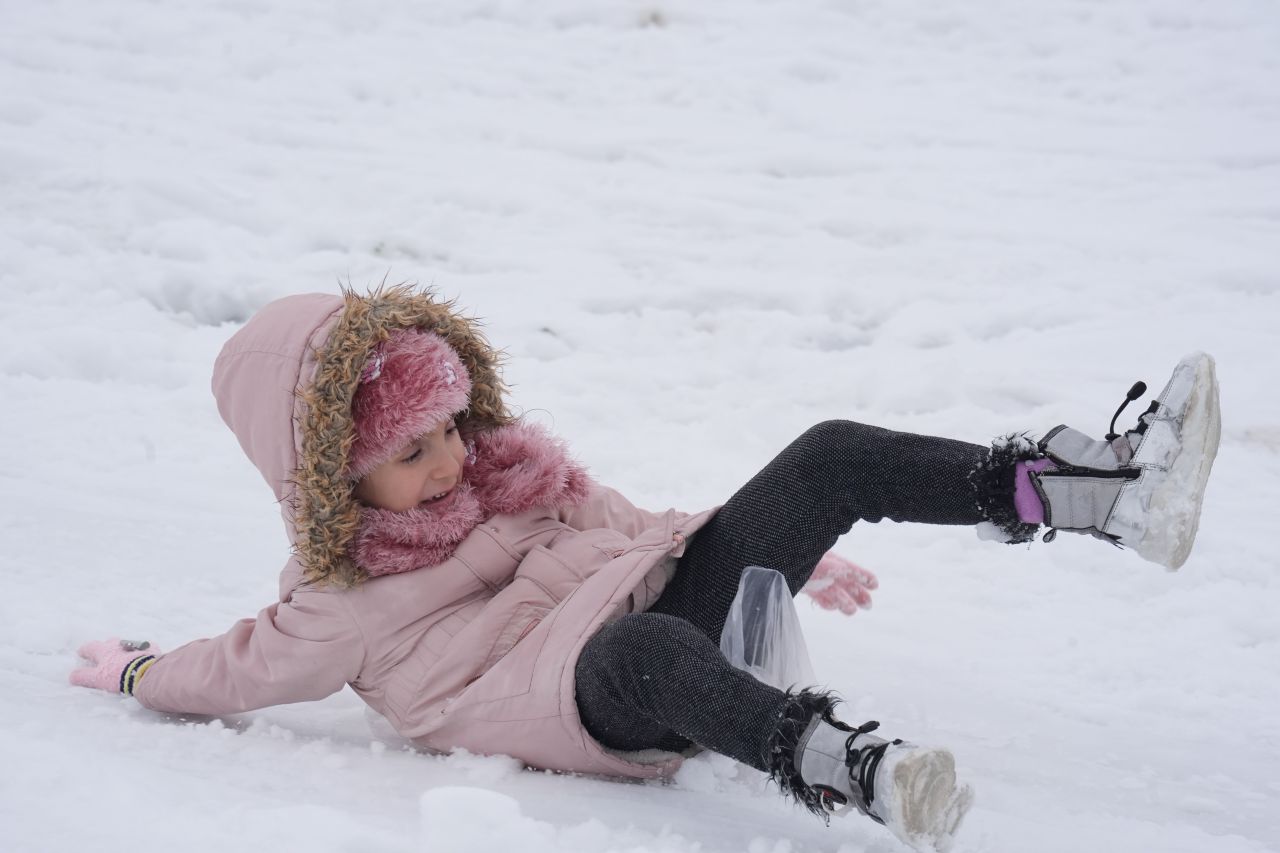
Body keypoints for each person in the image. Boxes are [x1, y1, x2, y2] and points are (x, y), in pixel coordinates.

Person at [70, 287, 1221, 851]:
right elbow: (235, 672)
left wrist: (778, 547)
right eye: (408, 451)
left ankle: (1096, 493)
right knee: (646, 646)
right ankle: (850, 766)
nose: (447, 460)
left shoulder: (511, 471)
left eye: (450, 426)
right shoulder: (339, 600)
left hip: (655, 612)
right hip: (598, 697)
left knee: (821, 456)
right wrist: (139, 671)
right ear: (326, 477)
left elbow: (637, 528)